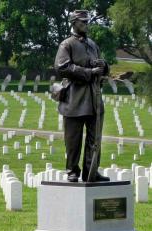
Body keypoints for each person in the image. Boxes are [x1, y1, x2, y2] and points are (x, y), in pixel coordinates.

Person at [54, 10, 110, 182]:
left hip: (93, 98)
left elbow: (101, 69)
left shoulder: (93, 45)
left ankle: (90, 171)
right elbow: (62, 67)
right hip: (74, 99)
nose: (86, 24)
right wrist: (88, 72)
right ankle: (72, 170)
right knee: (73, 139)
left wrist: (104, 66)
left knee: (95, 139)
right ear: (74, 22)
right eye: (82, 21)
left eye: (87, 21)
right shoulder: (67, 44)